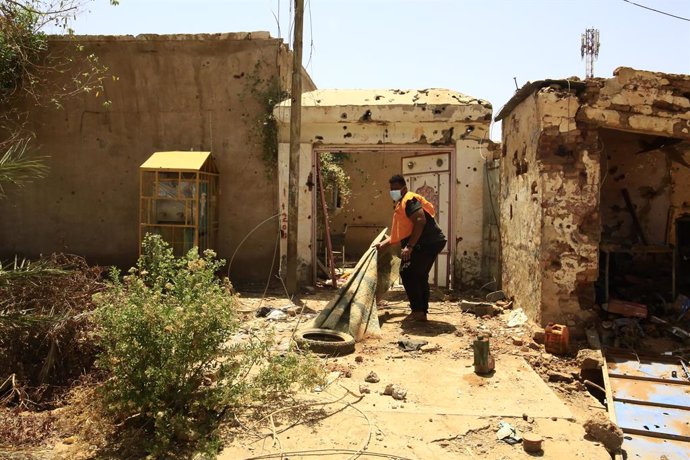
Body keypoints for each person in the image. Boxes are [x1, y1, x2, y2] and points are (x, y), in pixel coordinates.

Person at [374, 174, 447, 321]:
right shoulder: (401, 204)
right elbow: (401, 232)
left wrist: (410, 246)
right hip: (431, 242)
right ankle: (421, 312)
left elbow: (420, 220)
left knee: (408, 273)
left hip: (426, 243)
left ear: (404, 188)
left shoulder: (410, 199)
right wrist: (384, 244)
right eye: (391, 189)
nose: (392, 192)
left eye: (395, 189)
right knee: (418, 275)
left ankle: (418, 311)